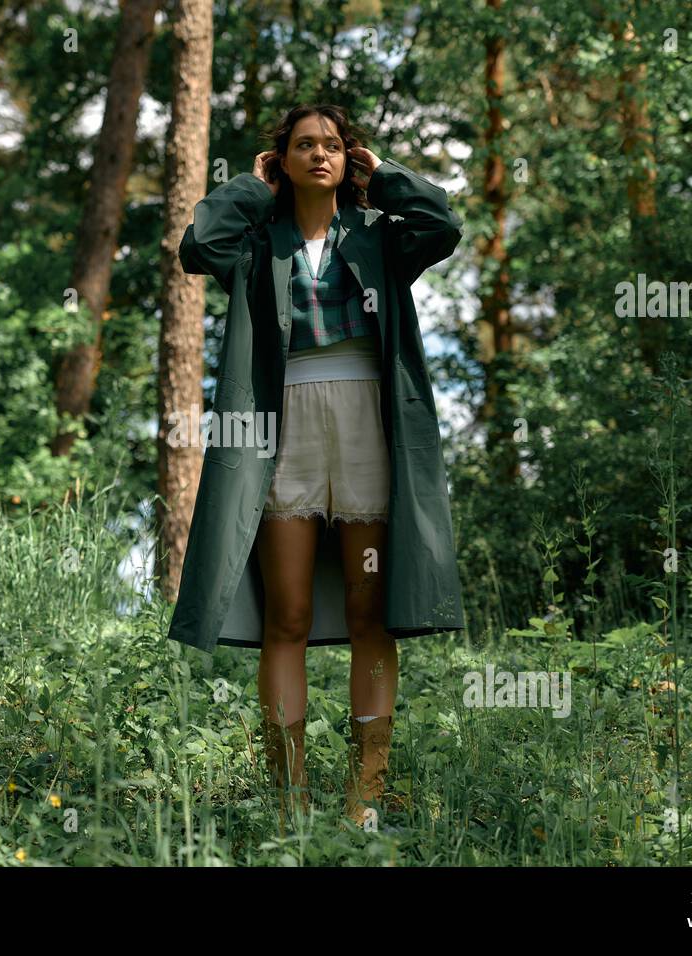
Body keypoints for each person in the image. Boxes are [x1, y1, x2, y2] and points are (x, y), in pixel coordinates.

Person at [172, 103, 464, 831]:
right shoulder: (255, 241)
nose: (321, 154)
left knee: (371, 612)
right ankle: (289, 803)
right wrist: (250, 185)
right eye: (305, 145)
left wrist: (384, 176)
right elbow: (195, 245)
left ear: (348, 157)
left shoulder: (377, 237)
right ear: (284, 160)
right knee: (289, 615)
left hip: (366, 423)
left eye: (333, 145)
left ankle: (365, 795)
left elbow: (444, 224)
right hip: (283, 427)